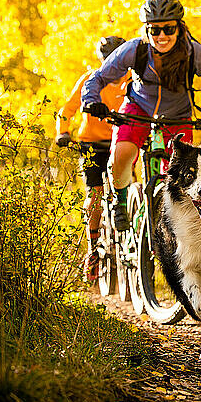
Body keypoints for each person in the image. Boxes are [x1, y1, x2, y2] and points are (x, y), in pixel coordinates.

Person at [81, 0, 201, 233]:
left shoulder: (193, 52)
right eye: (155, 30)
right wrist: (92, 101)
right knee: (122, 153)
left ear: (179, 29)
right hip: (137, 109)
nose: (161, 36)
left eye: (168, 29)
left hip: (178, 115)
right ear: (147, 30)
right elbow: (98, 77)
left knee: (181, 176)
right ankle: (119, 199)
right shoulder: (135, 49)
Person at [55, 35, 127, 281]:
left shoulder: (132, 80)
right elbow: (67, 110)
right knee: (95, 194)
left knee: (125, 186)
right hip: (92, 144)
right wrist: (62, 132)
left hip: (122, 140)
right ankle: (93, 248)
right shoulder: (90, 79)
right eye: (109, 61)